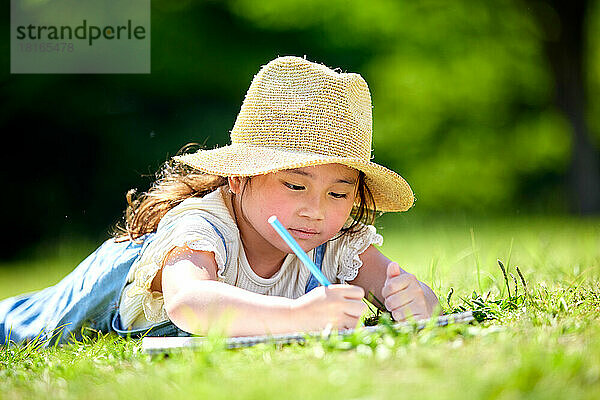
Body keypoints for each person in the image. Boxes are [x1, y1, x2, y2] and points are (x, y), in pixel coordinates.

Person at [0, 56, 439, 346]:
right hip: (108, 290)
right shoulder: (202, 227)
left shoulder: (339, 243)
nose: (316, 210)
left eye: (338, 192)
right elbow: (189, 303)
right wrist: (298, 315)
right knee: (26, 325)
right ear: (239, 176)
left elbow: (414, 295)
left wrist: (412, 300)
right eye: (295, 185)